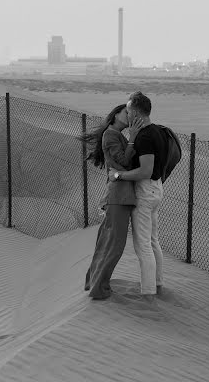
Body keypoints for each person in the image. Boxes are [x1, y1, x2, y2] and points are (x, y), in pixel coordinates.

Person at [108, 91, 167, 300]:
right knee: (152, 241)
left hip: (146, 191)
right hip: (156, 189)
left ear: (135, 111)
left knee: (143, 245)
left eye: (128, 109)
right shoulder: (156, 131)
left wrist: (119, 175)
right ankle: (157, 285)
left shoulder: (145, 136)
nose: (127, 113)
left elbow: (145, 171)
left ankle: (149, 294)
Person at [82, 103, 143, 299]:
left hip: (119, 195)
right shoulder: (111, 135)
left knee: (107, 242)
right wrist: (133, 138)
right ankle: (98, 288)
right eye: (126, 113)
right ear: (116, 114)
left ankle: (94, 281)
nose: (130, 116)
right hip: (119, 196)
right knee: (114, 245)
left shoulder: (115, 135)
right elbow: (125, 162)